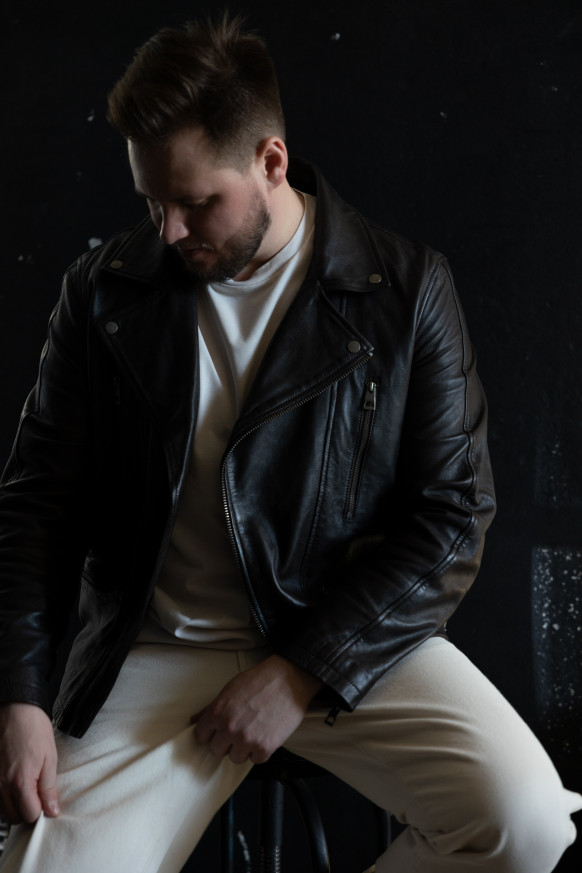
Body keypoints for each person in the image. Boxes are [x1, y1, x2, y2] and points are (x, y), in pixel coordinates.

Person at [0, 13, 580, 873]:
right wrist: (19, 697)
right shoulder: (103, 291)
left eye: (197, 202)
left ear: (271, 161)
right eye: (152, 201)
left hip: (341, 635)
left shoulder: (404, 289)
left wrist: (300, 669)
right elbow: (36, 506)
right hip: (156, 646)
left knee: (526, 824)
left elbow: (454, 516)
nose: (168, 230)